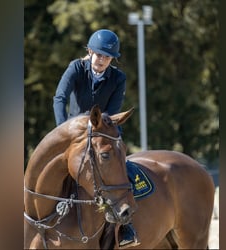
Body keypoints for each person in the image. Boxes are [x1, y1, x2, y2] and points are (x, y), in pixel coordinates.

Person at [53, 29, 140, 248]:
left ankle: (126, 225)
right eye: (99, 54)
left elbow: (111, 113)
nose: (102, 60)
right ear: (90, 51)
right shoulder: (76, 68)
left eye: (107, 57)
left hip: (102, 132)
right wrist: (61, 131)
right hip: (73, 133)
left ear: (112, 59)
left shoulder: (118, 78)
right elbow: (60, 98)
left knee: (120, 167)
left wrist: (101, 132)